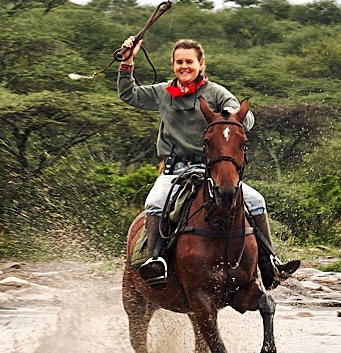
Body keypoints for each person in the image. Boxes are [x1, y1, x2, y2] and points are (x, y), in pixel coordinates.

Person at [114, 35, 288, 288]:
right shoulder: (162, 92)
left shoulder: (216, 92)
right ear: (173, 64)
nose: (184, 67)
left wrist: (231, 116)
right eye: (179, 62)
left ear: (201, 64)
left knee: (256, 200)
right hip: (174, 170)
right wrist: (127, 63)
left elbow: (243, 119)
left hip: (210, 170)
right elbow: (129, 94)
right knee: (154, 202)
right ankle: (156, 261)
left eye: (189, 62)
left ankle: (269, 262)